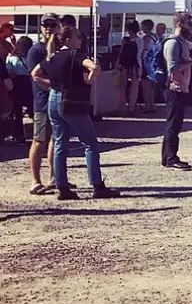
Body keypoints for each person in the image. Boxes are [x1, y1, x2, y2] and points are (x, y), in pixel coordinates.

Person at [32, 26, 120, 200]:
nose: (80, 40)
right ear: (68, 39)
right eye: (77, 37)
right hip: (71, 101)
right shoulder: (75, 55)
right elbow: (94, 68)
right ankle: (97, 185)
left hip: (54, 99)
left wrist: (51, 85)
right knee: (90, 144)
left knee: (59, 145)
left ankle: (62, 187)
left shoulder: (52, 56)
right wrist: (88, 81)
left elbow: (35, 74)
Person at [162, 14, 192, 171]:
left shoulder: (182, 43)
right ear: (179, 24)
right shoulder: (173, 43)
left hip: (181, 87)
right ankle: (171, 158)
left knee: (175, 124)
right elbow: (173, 67)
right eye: (189, 23)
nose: (191, 26)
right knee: (173, 124)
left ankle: (168, 157)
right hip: (174, 88)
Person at [26, 14, 59, 195]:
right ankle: (35, 181)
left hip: (58, 102)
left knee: (56, 140)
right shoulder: (36, 50)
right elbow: (36, 76)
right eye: (46, 25)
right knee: (39, 140)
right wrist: (57, 84)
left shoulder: (60, 48)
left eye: (52, 25)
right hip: (42, 102)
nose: (49, 29)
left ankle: (54, 178)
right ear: (40, 28)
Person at [6, 35, 33, 142]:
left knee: (17, 112)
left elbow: (9, 73)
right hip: (29, 84)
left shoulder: (11, 58)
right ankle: (37, 134)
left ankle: (19, 135)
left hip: (16, 84)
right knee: (32, 110)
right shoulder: (30, 58)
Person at [118, 21, 142, 115]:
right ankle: (132, 107)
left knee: (122, 86)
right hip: (136, 64)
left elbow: (121, 53)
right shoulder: (140, 40)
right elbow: (141, 53)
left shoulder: (125, 40)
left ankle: (123, 106)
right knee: (134, 87)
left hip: (125, 65)